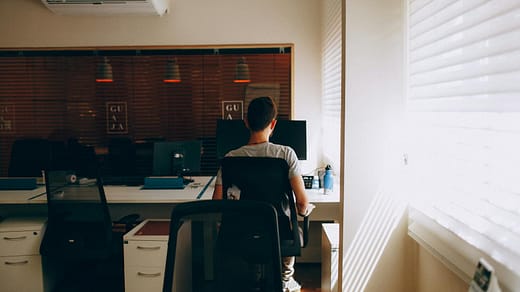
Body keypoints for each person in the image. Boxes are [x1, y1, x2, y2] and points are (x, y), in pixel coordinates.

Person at [213, 96, 314, 292]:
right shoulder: (286, 155)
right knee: (287, 224)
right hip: (278, 233)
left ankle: (255, 276)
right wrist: (305, 209)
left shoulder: (230, 159)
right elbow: (302, 204)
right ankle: (285, 279)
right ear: (273, 123)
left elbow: (217, 204)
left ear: (246, 122)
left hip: (240, 233)